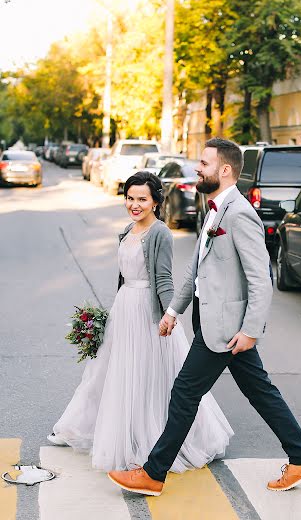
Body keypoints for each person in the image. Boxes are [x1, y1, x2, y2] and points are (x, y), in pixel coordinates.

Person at [108, 139, 301, 495]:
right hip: (213, 322)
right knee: (261, 392)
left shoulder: (239, 214)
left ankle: (152, 473)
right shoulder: (215, 209)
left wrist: (251, 330)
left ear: (224, 170)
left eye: (204, 163)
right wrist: (173, 310)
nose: (197, 168)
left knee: (184, 393)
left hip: (225, 329)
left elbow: (260, 279)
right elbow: (195, 268)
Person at [47, 171, 233, 472]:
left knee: (147, 376)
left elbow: (163, 279)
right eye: (130, 198)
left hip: (148, 314)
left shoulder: (159, 233)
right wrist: (109, 315)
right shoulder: (127, 230)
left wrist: (169, 316)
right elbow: (124, 278)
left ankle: (147, 440)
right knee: (109, 373)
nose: (135, 205)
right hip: (125, 309)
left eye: (142, 199)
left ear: (156, 202)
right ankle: (82, 427)